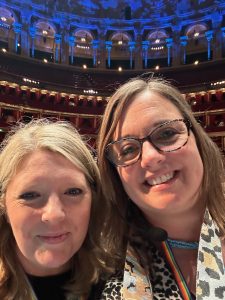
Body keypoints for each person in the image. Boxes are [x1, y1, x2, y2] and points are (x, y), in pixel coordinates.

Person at [97, 76, 225, 299]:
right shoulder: (101, 270)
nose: (150, 158)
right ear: (115, 174)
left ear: (198, 138)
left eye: (166, 134)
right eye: (127, 150)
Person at [0, 119, 110, 300]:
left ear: (94, 199)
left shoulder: (125, 281)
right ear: (4, 205)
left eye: (73, 192)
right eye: (30, 195)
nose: (54, 215)